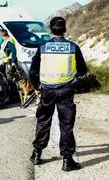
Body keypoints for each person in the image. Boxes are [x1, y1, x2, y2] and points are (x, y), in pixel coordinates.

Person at [29, 17, 87, 172]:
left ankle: (36, 154)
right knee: (66, 125)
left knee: (43, 121)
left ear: (50, 29)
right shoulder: (73, 47)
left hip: (46, 91)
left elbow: (33, 71)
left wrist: (36, 87)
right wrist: (74, 78)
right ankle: (67, 161)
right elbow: (83, 70)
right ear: (65, 29)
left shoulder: (42, 47)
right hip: (66, 91)